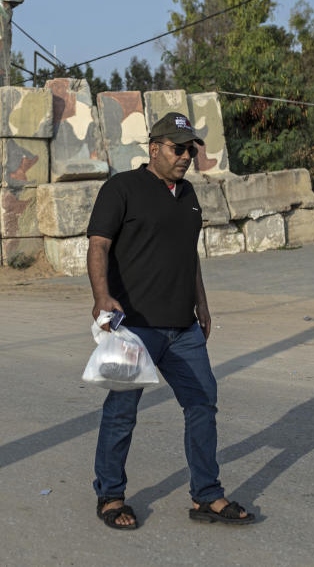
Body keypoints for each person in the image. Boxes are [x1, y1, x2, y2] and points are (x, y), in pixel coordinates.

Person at [86, 111, 255, 530]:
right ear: (155, 148)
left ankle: (207, 496)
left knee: (202, 403)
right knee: (122, 411)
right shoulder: (121, 189)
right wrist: (101, 295)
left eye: (190, 150)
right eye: (178, 149)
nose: (185, 157)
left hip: (183, 328)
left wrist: (202, 303)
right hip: (133, 326)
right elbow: (98, 246)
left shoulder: (189, 196)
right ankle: (110, 495)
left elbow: (188, 254)